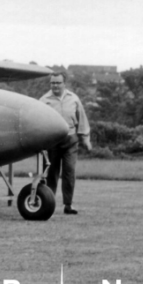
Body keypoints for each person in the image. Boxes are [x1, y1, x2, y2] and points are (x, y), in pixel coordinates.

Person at [39, 72, 91, 215]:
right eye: (53, 83)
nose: (55, 85)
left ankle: (68, 205)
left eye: (58, 83)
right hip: (52, 141)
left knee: (69, 172)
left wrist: (85, 138)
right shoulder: (44, 100)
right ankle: (48, 204)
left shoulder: (74, 98)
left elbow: (82, 119)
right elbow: (38, 122)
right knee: (51, 173)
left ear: (64, 83)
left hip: (70, 141)